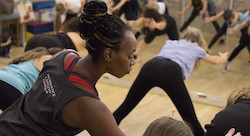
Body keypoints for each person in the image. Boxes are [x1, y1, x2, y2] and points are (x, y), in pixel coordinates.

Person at [0, 1, 136, 135]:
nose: (133, 62)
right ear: (108, 54)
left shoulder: (63, 56)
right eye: (130, 56)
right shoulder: (91, 107)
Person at [113, 30, 229, 136]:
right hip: (170, 71)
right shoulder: (196, 47)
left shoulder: (171, 42)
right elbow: (215, 61)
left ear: (184, 37)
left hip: (150, 66)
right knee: (190, 118)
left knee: (126, 106)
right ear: (198, 42)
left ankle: (102, 129)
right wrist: (223, 57)